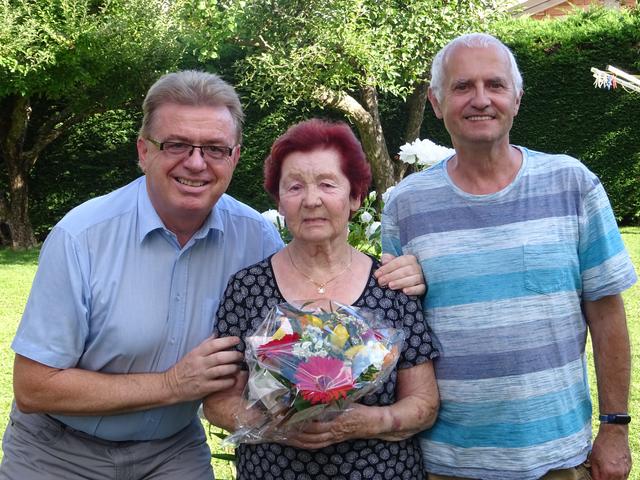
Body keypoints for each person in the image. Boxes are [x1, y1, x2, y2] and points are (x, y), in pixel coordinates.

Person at [0, 71, 425, 480]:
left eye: (215, 148)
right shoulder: (82, 236)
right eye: (177, 145)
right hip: (59, 453)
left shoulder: (255, 237)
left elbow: (310, 285)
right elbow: (35, 388)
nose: (196, 163)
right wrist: (172, 384)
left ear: (235, 157)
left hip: (171, 451)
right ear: (144, 151)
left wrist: (402, 271)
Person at [382, 33, 637, 480]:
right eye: (462, 87)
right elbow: (400, 331)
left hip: (557, 457)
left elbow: (607, 317)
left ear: (517, 98)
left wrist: (614, 428)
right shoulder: (405, 204)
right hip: (447, 462)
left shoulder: (572, 184)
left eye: (495, 85)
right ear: (437, 102)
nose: (480, 100)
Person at [204, 118, 440, 480]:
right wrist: (277, 423)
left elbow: (424, 405)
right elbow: (219, 403)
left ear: (355, 197)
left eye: (327, 184)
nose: (311, 200)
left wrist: (366, 421)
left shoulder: (391, 286)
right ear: (280, 202)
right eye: (294, 187)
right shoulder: (247, 287)